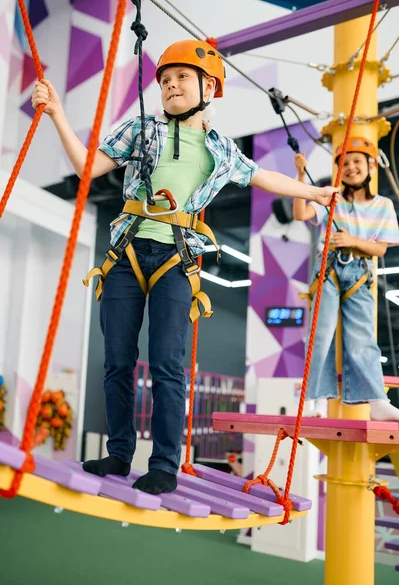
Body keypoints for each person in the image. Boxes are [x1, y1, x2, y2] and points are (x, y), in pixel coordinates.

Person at [32, 39, 339, 494]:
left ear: (209, 87)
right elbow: (86, 167)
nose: (171, 86)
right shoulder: (142, 129)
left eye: (181, 79)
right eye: (165, 81)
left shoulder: (220, 148)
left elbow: (261, 175)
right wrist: (58, 112)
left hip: (177, 259)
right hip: (128, 253)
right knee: (117, 361)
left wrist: (311, 193)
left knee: (169, 366)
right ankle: (119, 455)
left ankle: (164, 464)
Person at [293, 138, 399, 421]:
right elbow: (300, 213)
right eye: (345, 163)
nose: (351, 168)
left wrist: (352, 239)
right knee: (321, 333)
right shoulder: (332, 198)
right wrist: (302, 177)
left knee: (362, 337)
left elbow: (379, 248)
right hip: (327, 268)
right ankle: (315, 399)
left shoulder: (383, 205)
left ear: (371, 166)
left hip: (360, 271)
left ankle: (377, 401)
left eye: (357, 162)